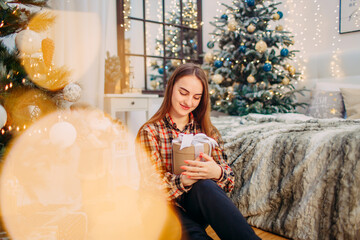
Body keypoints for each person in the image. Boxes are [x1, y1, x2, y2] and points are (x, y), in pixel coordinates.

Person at [136, 63, 260, 240]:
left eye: (196, 97)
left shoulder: (207, 132)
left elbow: (230, 181)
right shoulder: (150, 132)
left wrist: (216, 172)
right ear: (171, 88)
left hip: (194, 207)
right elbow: (151, 186)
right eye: (183, 93)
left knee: (205, 185)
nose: (188, 102)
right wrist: (183, 180)